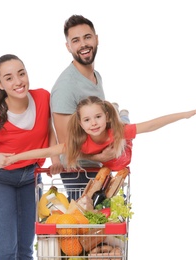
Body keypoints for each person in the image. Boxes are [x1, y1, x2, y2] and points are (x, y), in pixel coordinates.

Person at [0, 54, 58, 260]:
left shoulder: (43, 97)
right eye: (9, 78)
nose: (18, 82)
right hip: (2, 182)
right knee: (7, 249)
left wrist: (56, 159)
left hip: (31, 179)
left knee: (26, 247)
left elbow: (50, 128)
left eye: (21, 74)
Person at [4, 96, 196, 182]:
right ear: (81, 124)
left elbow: (152, 125)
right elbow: (46, 152)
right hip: (112, 163)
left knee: (125, 124)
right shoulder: (80, 142)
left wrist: (186, 114)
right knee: (122, 127)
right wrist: (14, 158)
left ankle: (120, 113)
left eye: (98, 117)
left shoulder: (116, 131)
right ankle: (120, 112)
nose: (93, 123)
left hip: (123, 152)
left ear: (105, 117)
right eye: (87, 120)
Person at [50, 14, 129, 199]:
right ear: (68, 46)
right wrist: (99, 158)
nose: (83, 44)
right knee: (84, 226)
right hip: (78, 172)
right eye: (75, 40)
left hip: (99, 167)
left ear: (96, 39)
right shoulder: (65, 87)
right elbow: (65, 146)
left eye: (87, 37)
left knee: (105, 224)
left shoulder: (96, 77)